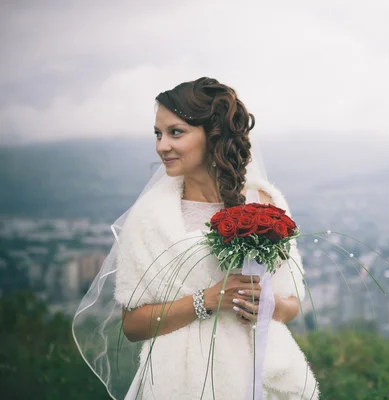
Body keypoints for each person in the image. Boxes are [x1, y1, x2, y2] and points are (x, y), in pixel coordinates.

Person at [72, 77, 319, 400]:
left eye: (176, 132)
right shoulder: (151, 217)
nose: (162, 146)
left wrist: (266, 305)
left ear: (213, 133)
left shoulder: (265, 203)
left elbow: (291, 305)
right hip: (182, 381)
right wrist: (208, 299)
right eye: (158, 134)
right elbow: (133, 325)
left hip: (260, 374)